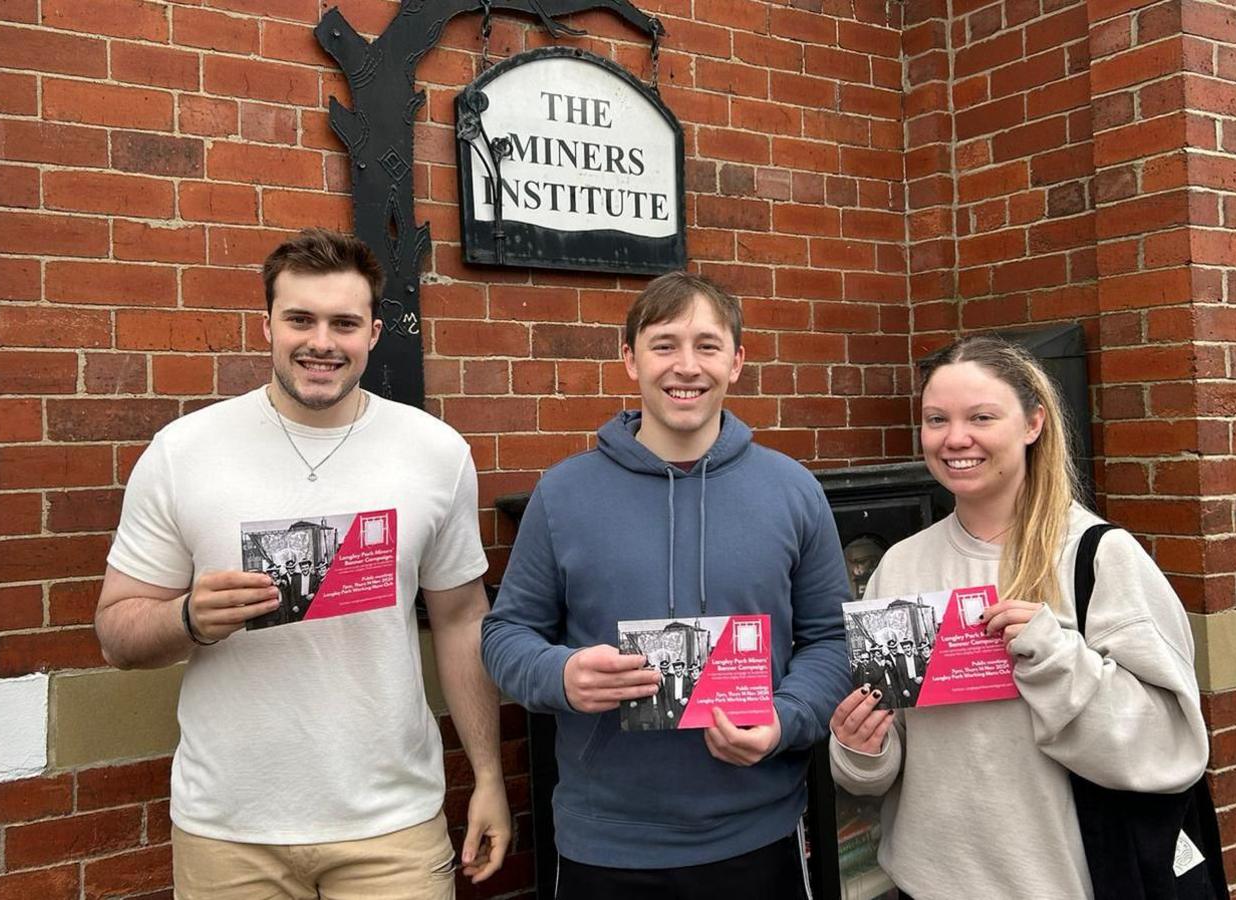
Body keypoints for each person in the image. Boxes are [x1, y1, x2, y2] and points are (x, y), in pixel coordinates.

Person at [93, 228, 510, 899]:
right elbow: (117, 633)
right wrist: (188, 618)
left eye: (344, 322)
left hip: (392, 827)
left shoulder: (435, 453)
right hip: (229, 829)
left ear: (373, 333)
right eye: (300, 320)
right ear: (267, 326)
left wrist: (488, 777)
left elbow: (462, 618)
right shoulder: (183, 452)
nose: (322, 342)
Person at [481, 271, 851, 898]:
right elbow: (505, 634)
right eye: (663, 344)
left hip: (758, 833)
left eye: (707, 345)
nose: (687, 366)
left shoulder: (793, 492)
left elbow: (830, 641)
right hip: (608, 841)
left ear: (738, 360)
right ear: (629, 359)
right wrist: (561, 675)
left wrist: (784, 719)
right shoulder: (564, 494)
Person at [829, 334, 1209, 899]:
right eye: (937, 419)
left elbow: (1170, 748)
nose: (956, 438)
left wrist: (1056, 658)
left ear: (1033, 424)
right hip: (927, 883)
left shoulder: (1099, 556)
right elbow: (892, 759)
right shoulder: (899, 567)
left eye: (981, 416)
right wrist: (861, 749)